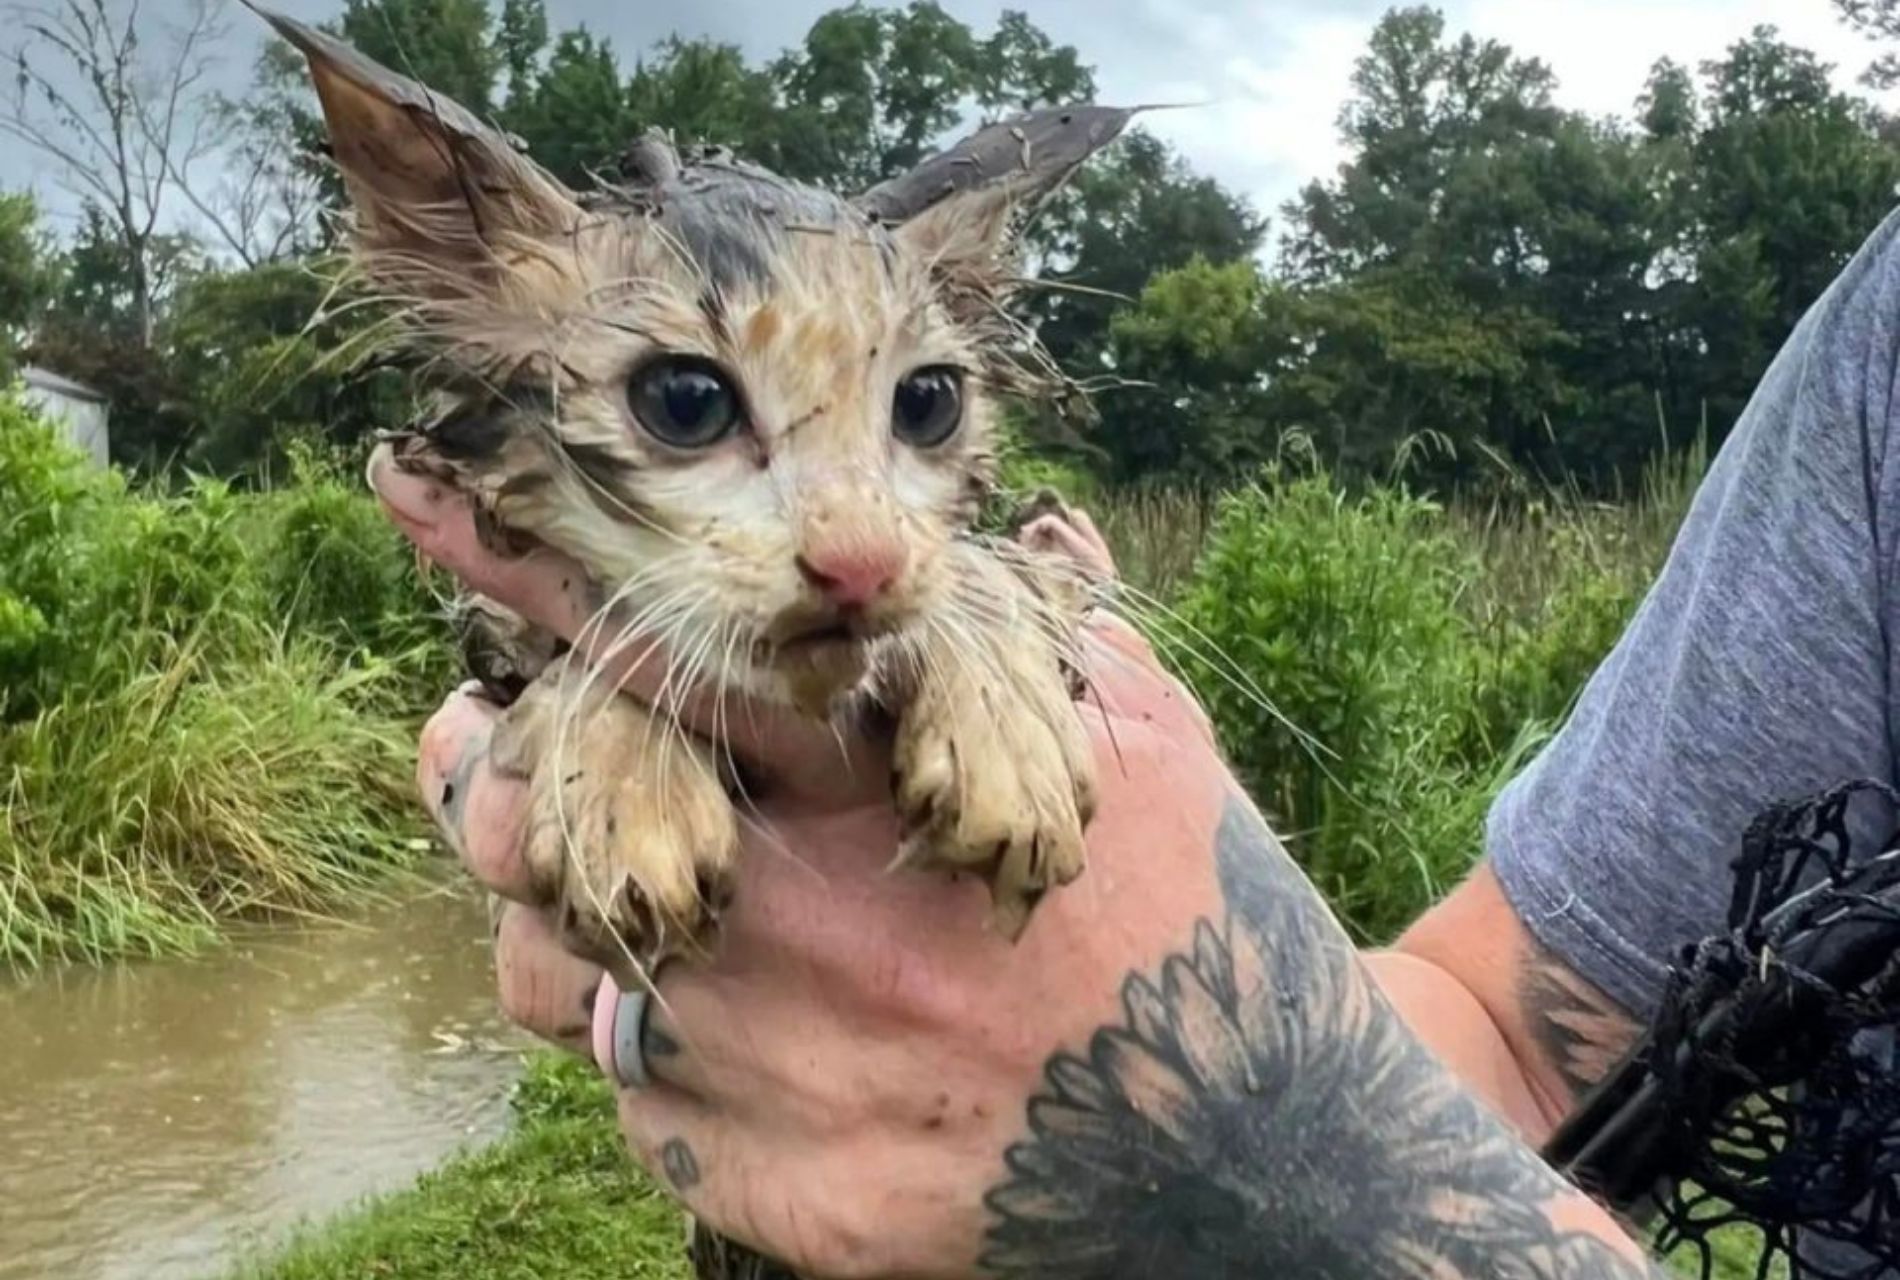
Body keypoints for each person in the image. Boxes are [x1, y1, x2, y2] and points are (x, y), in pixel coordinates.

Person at [371, 203, 1900, 1280]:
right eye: (693, 401)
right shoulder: (1872, 364)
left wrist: (1272, 1168)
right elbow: (1505, 1028)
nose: (856, 540)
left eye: (921, 410)